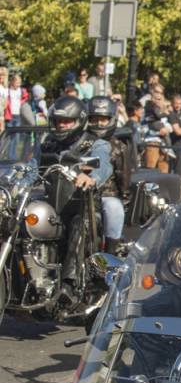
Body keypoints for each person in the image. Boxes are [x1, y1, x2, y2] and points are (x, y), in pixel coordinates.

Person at [41, 97, 113, 280]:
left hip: (83, 209)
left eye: (67, 121)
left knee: (79, 225)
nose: (61, 125)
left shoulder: (95, 144)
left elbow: (104, 165)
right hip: (50, 209)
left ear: (79, 121)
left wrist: (91, 177)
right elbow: (31, 167)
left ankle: (69, 283)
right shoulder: (47, 144)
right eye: (58, 121)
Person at [86, 97, 130, 255]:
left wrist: (124, 197)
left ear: (111, 120)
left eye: (103, 119)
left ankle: (110, 252)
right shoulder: (81, 143)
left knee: (113, 208)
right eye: (94, 119)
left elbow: (123, 176)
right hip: (80, 194)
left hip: (107, 194)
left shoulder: (118, 146)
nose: (99, 124)